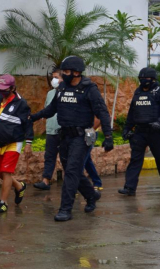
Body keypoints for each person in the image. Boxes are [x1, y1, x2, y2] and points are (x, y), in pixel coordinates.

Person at [31, 56, 113, 222]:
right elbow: (52, 109)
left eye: (67, 72)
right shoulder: (62, 87)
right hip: (65, 135)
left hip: (81, 136)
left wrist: (108, 136)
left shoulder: (89, 89)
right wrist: (33, 117)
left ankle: (65, 209)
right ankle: (91, 195)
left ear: (77, 72)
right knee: (71, 170)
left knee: (72, 171)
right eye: (63, 72)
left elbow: (103, 112)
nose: (64, 75)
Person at [119, 67, 160, 196]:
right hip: (140, 131)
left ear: (153, 79)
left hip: (155, 131)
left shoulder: (159, 92)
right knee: (135, 160)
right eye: (141, 79)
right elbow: (132, 113)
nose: (144, 81)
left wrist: (159, 122)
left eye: (146, 79)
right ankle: (129, 188)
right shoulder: (137, 92)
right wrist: (127, 129)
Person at [0, 75, 33, 213]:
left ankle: (3, 203)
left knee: (6, 172)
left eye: (5, 90)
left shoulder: (21, 103)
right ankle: (19, 186)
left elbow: (28, 123)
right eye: (0, 89)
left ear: (13, 88)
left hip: (14, 142)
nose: (2, 92)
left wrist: (29, 143)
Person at [34, 68, 62, 190]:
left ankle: (70, 183)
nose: (53, 80)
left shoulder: (67, 92)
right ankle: (46, 181)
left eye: (56, 77)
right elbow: (47, 110)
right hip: (51, 130)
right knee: (49, 156)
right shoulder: (50, 94)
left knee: (67, 158)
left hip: (63, 130)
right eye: (52, 78)